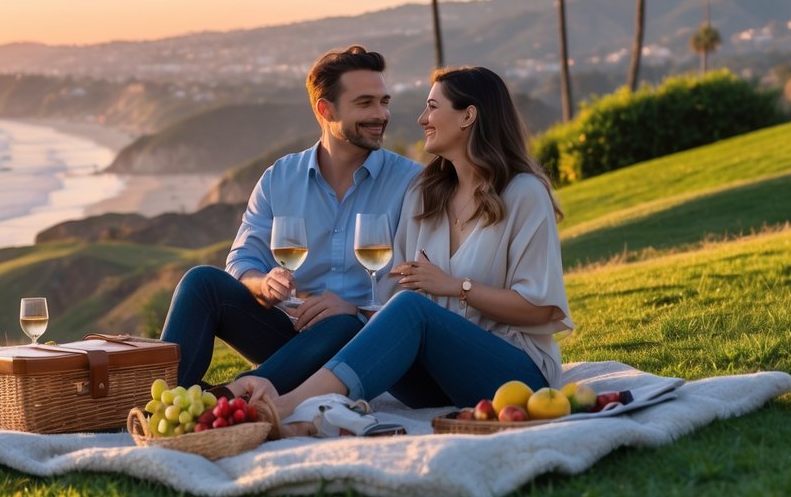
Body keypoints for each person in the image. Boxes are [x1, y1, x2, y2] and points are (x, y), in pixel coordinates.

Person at [236, 65, 573, 425]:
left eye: (432, 107)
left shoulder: (524, 194)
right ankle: (269, 402)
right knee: (386, 312)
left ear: (468, 116)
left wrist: (455, 287)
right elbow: (391, 298)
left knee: (411, 307)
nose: (421, 118)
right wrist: (354, 311)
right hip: (436, 379)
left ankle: (286, 408)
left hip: (513, 376)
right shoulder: (425, 195)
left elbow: (542, 310)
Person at [159, 46, 423, 393]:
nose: (381, 114)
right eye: (365, 103)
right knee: (201, 282)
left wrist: (356, 310)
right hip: (291, 335)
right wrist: (263, 283)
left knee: (342, 324)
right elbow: (242, 259)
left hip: (366, 342)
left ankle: (232, 397)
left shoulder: (411, 183)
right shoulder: (279, 177)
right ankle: (162, 400)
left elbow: (420, 290)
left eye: (383, 101)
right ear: (324, 109)